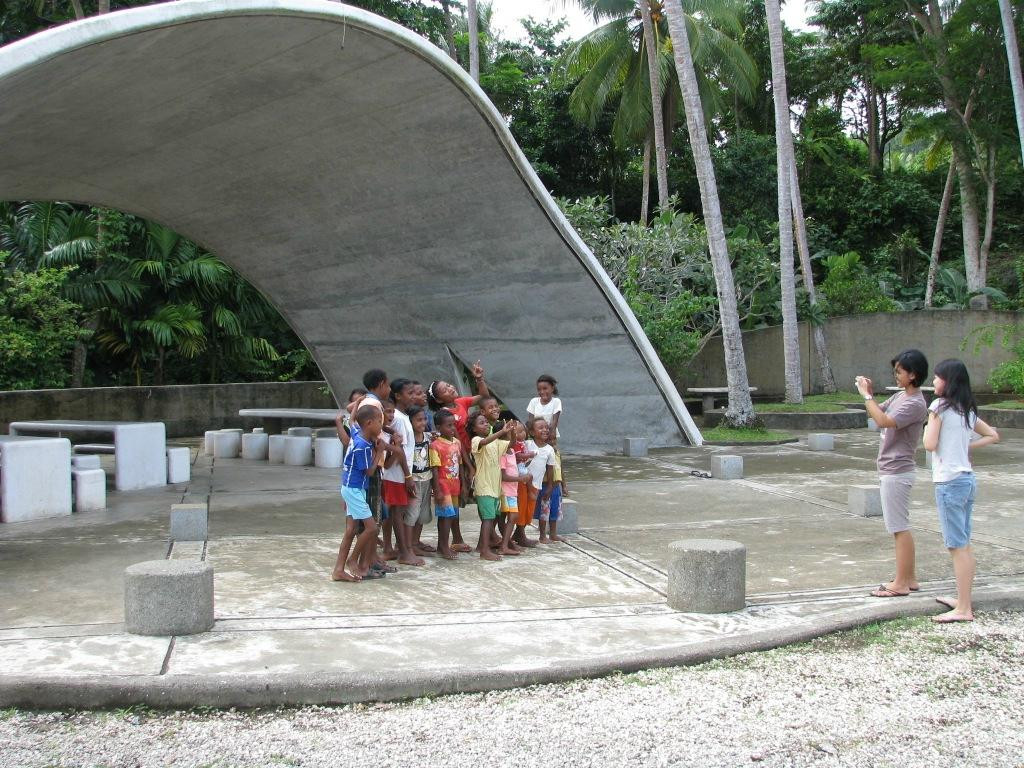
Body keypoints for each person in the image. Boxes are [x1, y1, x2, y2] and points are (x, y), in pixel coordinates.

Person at [923, 359, 1000, 623]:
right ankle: (963, 599)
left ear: (948, 381)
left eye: (937, 377)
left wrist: (930, 422)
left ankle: (964, 608)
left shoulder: (938, 408)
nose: (933, 382)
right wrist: (965, 448)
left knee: (957, 546)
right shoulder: (966, 410)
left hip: (949, 482)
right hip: (967, 480)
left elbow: (929, 443)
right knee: (964, 545)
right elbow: (992, 435)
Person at [856, 349, 929, 598]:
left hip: (897, 470)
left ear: (913, 375)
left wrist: (866, 395)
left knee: (899, 527)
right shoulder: (901, 396)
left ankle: (901, 583)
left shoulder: (914, 402)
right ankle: (909, 578)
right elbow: (876, 413)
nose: (896, 375)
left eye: (899, 371)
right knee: (899, 526)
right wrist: (870, 396)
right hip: (891, 469)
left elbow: (884, 421)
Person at [338, 404, 389, 580]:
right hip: (354, 489)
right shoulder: (363, 447)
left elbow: (352, 421)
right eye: (379, 422)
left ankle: (338, 570)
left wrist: (355, 405)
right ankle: (353, 560)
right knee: (371, 528)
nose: (381, 426)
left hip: (352, 487)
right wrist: (379, 451)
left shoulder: (357, 433)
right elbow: (369, 471)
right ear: (369, 423)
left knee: (351, 530)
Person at [383, 379, 422, 566]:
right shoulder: (397, 417)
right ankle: (404, 552)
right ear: (398, 396)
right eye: (410, 393)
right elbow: (398, 451)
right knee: (397, 512)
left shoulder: (403, 416)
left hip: (400, 473)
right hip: (396, 474)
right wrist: (408, 476)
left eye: (415, 393)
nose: (414, 396)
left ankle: (398, 549)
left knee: (396, 511)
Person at [469, 412, 517, 561]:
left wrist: (511, 432)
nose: (486, 424)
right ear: (474, 429)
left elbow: (511, 444)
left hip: (495, 488)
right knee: (488, 520)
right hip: (484, 487)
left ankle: (483, 547)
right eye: (481, 423)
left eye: (486, 422)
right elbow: (484, 443)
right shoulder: (476, 440)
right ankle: (484, 550)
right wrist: (501, 432)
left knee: (490, 519)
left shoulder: (496, 442)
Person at [429, 410, 473, 559]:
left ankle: (444, 546)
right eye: (448, 426)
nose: (452, 429)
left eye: (453, 425)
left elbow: (460, 464)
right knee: (445, 518)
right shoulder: (435, 445)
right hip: (443, 485)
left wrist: (464, 485)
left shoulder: (457, 442)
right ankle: (443, 546)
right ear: (438, 427)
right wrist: (437, 490)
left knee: (453, 515)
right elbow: (435, 469)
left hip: (455, 484)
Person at [426, 360, 491, 453]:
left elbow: (484, 397)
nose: (450, 389)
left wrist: (479, 379)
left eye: (448, 385)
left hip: (476, 448)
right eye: (445, 390)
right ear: (439, 400)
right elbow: (454, 441)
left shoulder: (461, 402)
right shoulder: (444, 415)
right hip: (462, 454)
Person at [407, 406, 436, 555]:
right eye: (419, 420)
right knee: (412, 513)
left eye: (424, 419)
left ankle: (415, 542)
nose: (423, 422)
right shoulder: (408, 438)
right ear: (410, 421)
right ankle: (407, 547)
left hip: (427, 479)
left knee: (423, 513)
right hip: (414, 480)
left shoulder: (428, 437)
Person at [524, 418, 558, 544]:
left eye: (546, 427)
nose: (545, 430)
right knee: (523, 510)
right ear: (532, 432)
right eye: (540, 428)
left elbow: (550, 469)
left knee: (539, 510)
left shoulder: (549, 449)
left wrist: (550, 486)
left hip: (537, 485)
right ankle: (519, 534)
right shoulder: (527, 444)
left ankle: (543, 535)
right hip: (523, 484)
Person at [498, 440, 528, 556]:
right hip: (505, 491)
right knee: (507, 517)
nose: (515, 438)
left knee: (512, 517)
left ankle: (506, 544)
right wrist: (520, 479)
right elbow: (503, 476)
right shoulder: (503, 454)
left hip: (512, 491)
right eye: (512, 435)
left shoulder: (512, 452)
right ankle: (504, 545)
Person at [512, 422, 538, 548]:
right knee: (521, 506)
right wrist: (530, 455)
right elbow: (518, 456)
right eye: (518, 432)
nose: (521, 434)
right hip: (519, 474)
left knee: (528, 506)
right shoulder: (515, 445)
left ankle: (519, 533)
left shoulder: (526, 443)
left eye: (523, 431)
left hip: (527, 474)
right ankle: (520, 534)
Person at [527, 374, 562, 442]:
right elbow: (531, 421)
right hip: (536, 436)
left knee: (551, 452)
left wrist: (552, 434)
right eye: (539, 389)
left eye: (545, 388)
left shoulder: (556, 402)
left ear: (552, 388)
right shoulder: (533, 401)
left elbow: (554, 422)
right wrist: (531, 434)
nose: (542, 392)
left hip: (550, 435)